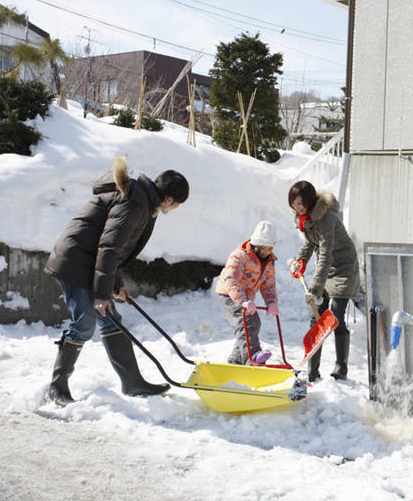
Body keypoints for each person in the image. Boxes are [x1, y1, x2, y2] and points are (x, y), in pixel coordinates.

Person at [43, 157, 189, 406]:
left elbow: (114, 249)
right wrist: (101, 294)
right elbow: (108, 248)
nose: (172, 209)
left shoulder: (141, 200)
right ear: (168, 200)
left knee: (111, 318)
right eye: (176, 205)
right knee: (85, 322)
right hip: (75, 263)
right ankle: (56, 387)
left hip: (87, 261)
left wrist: (114, 285)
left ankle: (132, 383)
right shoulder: (136, 203)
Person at [287, 180, 360, 382]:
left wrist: (315, 288)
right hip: (326, 270)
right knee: (316, 317)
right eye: (293, 204)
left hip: (344, 268)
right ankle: (313, 369)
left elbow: (325, 254)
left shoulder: (327, 218)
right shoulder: (305, 218)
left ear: (310, 201)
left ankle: (341, 368)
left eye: (300, 203)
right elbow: (310, 244)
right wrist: (298, 261)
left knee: (334, 318)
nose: (296, 208)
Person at [215, 221, 279, 366]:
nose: (267, 252)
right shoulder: (240, 256)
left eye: (270, 248)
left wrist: (271, 302)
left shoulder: (269, 261)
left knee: (255, 323)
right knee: (246, 324)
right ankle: (253, 356)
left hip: (246, 298)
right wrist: (242, 299)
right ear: (256, 245)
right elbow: (230, 279)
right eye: (263, 248)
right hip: (229, 295)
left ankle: (236, 360)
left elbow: (268, 284)